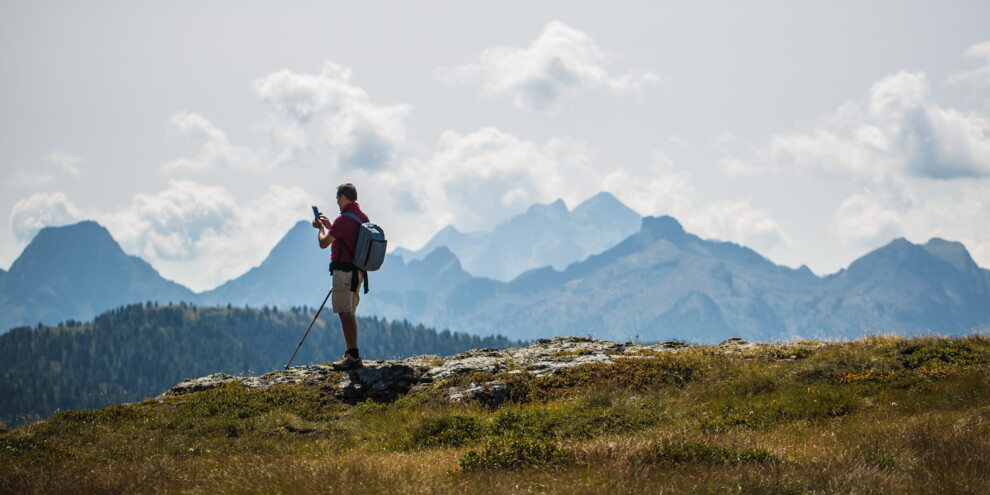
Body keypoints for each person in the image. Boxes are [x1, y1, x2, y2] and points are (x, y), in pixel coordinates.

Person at [312, 183, 369, 370]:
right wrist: (330, 225)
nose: (337, 203)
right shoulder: (361, 217)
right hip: (357, 273)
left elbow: (323, 243)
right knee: (350, 311)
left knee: (345, 313)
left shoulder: (343, 219)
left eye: (338, 199)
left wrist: (321, 228)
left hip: (343, 273)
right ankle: (352, 353)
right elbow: (346, 237)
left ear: (343, 197)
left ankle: (352, 355)